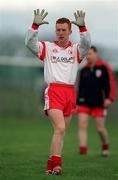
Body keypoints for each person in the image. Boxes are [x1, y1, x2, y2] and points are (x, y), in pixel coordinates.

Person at [25, 9, 91, 175]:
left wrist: (83, 28)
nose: (61, 33)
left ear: (70, 31)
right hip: (54, 91)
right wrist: (34, 26)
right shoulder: (48, 47)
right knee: (60, 128)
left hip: (69, 93)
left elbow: (87, 44)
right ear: (56, 31)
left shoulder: (76, 50)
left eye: (64, 30)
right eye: (58, 30)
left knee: (60, 132)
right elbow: (30, 43)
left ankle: (50, 165)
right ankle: (57, 165)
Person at [76, 46, 116, 156]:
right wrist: (77, 102)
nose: (87, 56)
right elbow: (80, 87)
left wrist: (110, 98)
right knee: (82, 125)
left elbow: (111, 84)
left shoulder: (104, 67)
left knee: (100, 128)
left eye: (90, 54)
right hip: (84, 102)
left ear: (96, 54)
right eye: (86, 54)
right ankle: (82, 151)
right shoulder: (84, 70)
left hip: (99, 103)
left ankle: (105, 146)